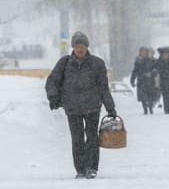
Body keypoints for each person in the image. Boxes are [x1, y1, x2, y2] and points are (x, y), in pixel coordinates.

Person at [45, 32, 117, 179]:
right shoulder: (64, 63)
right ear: (73, 47)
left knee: (92, 138)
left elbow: (103, 87)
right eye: (77, 46)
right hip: (72, 108)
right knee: (77, 140)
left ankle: (92, 168)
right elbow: (52, 81)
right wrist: (53, 97)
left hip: (92, 107)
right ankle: (80, 169)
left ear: (87, 47)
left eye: (82, 46)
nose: (80, 49)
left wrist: (110, 107)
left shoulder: (97, 64)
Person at [130, 47, 158, 115]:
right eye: (142, 52)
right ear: (140, 52)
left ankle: (150, 108)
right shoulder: (138, 61)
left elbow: (156, 69)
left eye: (145, 52)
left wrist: (152, 73)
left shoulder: (152, 60)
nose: (144, 53)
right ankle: (145, 109)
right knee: (143, 97)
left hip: (150, 81)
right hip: (141, 81)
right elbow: (135, 71)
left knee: (150, 95)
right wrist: (132, 80)